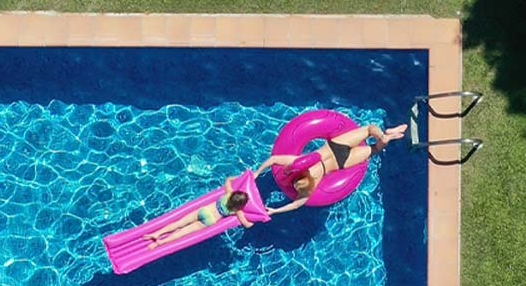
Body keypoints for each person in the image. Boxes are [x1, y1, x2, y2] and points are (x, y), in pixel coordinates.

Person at [257, 123, 408, 214]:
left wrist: (275, 211)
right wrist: (257, 173)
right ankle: (384, 134)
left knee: (374, 149)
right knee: (369, 129)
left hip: (341, 161)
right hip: (334, 146)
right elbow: (273, 160)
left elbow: (296, 205)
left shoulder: (313, 184)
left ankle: (387, 138)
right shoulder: (301, 164)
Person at [143, 176, 255, 249]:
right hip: (210, 220)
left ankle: (156, 234)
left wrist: (240, 177)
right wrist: (259, 217)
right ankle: (160, 243)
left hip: (204, 211)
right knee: (182, 233)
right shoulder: (237, 211)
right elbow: (247, 224)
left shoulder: (228, 194)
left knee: (178, 224)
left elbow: (228, 180)